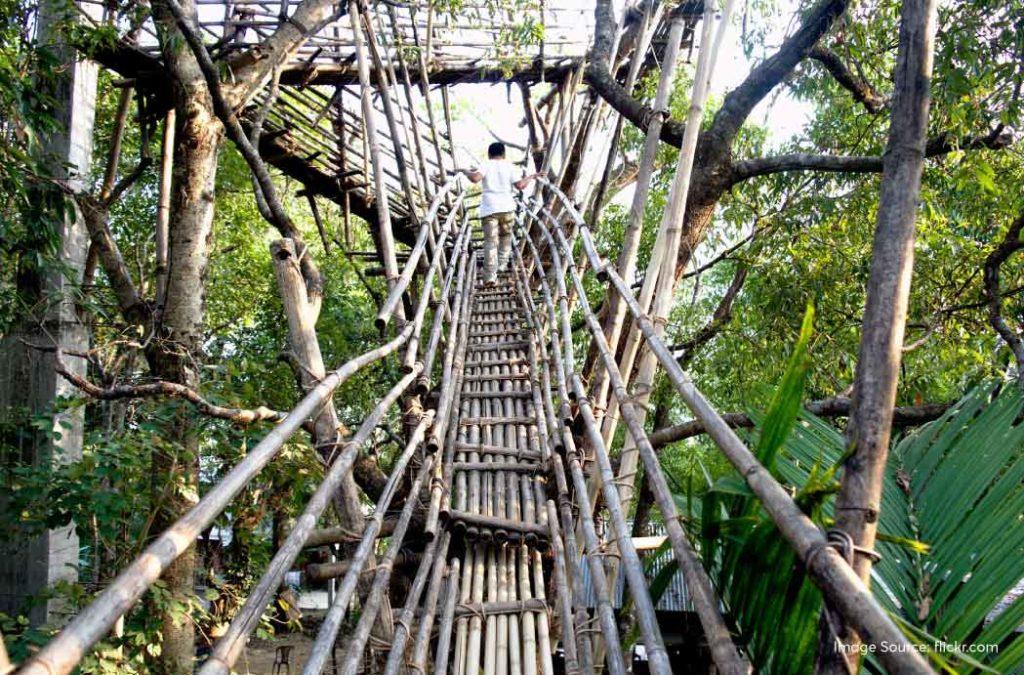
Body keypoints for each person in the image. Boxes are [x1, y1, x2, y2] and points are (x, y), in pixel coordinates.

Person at [460, 142, 545, 285]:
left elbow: (475, 178)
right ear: (503, 154)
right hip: (507, 208)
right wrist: (532, 176)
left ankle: (490, 277)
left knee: (490, 242)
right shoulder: (510, 167)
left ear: (489, 154)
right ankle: (501, 266)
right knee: (505, 238)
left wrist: (465, 171)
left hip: (489, 209)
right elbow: (520, 186)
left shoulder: (486, 164)